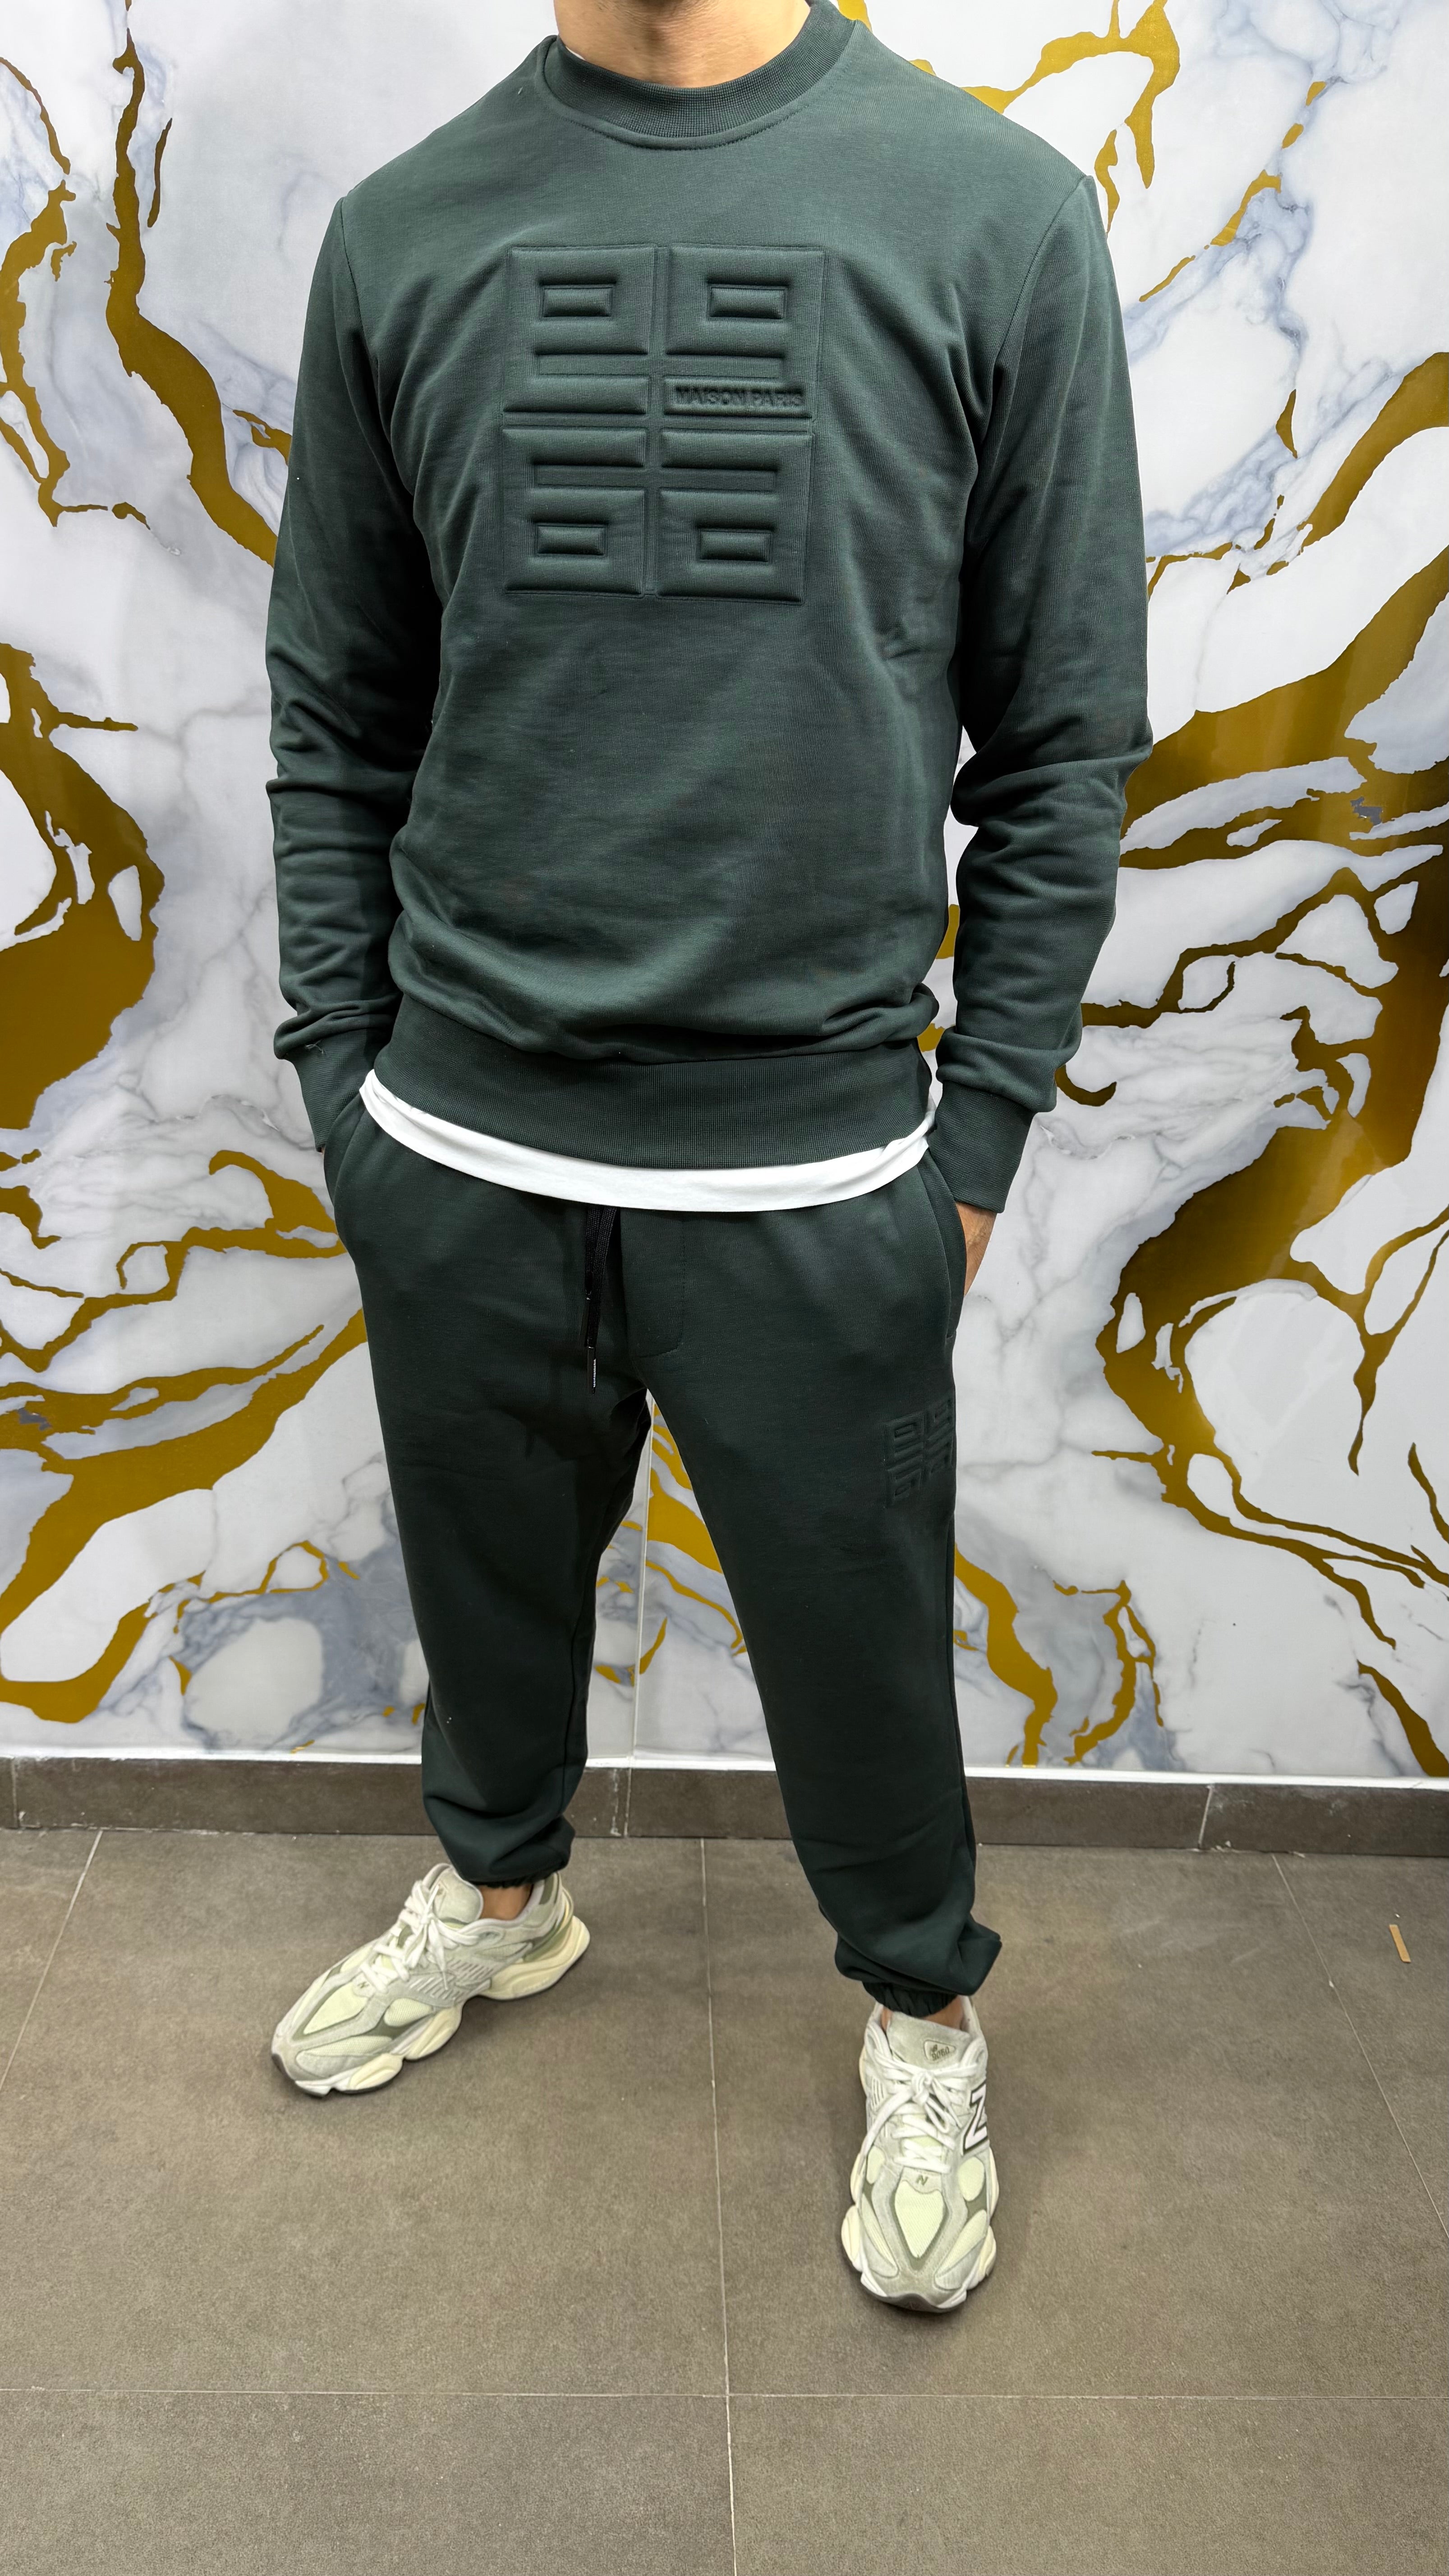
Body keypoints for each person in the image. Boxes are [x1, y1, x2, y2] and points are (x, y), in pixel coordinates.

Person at [265, 0, 1149, 2312]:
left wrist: (975, 1137)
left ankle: (924, 2010)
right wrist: (346, 1080)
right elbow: (338, 708)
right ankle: (500, 1891)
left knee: (861, 1659)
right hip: (458, 1132)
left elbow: (1063, 736)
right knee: (486, 1601)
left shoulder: (997, 218)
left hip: (818, 1163)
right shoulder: (406, 233)